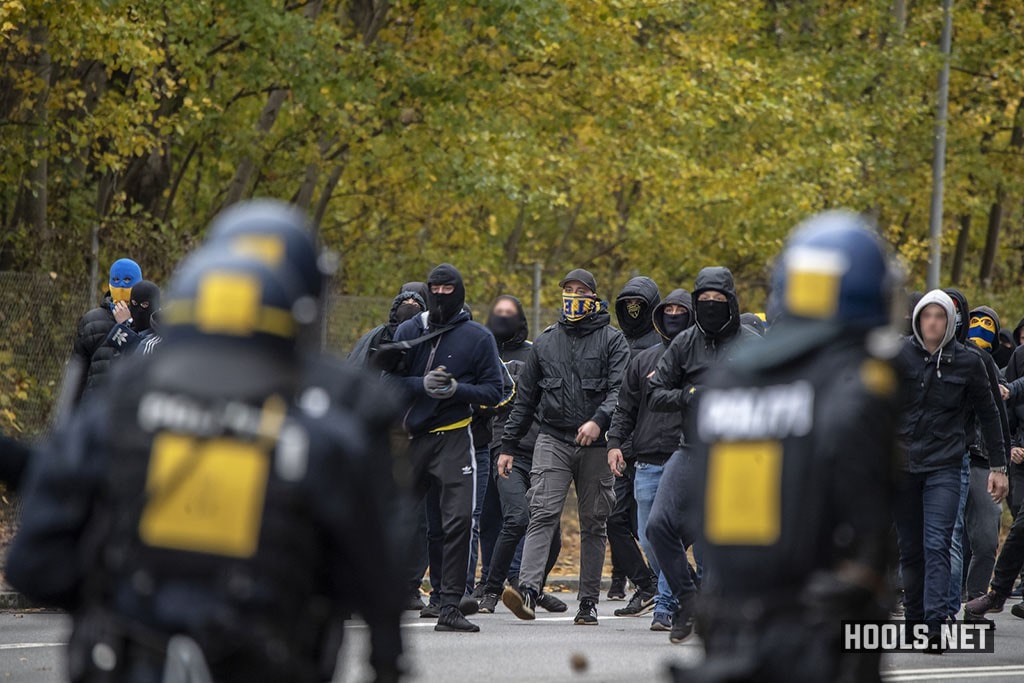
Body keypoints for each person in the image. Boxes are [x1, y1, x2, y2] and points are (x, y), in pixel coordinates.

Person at [7, 245, 403, 683]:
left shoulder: (120, 415)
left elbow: (34, 566)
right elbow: (374, 582)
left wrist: (113, 602)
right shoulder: (326, 439)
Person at [672, 210, 903, 683]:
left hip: (728, 627)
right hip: (817, 634)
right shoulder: (856, 382)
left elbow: (699, 506)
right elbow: (869, 526)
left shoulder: (727, 381)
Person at [500, 268, 630, 626]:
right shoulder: (545, 342)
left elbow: (620, 392)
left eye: (580, 291)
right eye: (567, 290)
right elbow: (524, 400)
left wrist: (598, 421)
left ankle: (587, 602)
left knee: (593, 522)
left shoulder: (613, 340)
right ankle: (527, 590)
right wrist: (508, 445)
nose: (573, 297)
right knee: (541, 511)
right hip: (553, 438)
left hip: (596, 445)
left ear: (594, 297)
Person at [645, 266, 762, 644]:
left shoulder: (751, 344)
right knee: (658, 526)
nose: (711, 307)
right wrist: (688, 396)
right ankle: (687, 600)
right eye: (704, 301)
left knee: (723, 541)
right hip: (691, 450)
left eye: (718, 300)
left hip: (737, 455)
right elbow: (655, 392)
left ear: (731, 302)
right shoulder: (684, 343)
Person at [385, 263, 504, 633]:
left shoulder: (478, 337)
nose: (439, 295)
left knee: (458, 522)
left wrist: (456, 390)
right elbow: (384, 380)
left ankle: (450, 605)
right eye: (433, 288)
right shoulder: (408, 330)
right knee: (396, 520)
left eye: (447, 288)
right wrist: (421, 384)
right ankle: (380, 595)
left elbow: (494, 391)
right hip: (410, 440)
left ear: (461, 290)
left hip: (455, 436)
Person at [893, 289, 1007, 649]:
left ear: (951, 322)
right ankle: (913, 621)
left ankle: (934, 625)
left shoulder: (969, 361)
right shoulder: (899, 356)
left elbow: (990, 414)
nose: (932, 323)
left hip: (945, 464)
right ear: (917, 320)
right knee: (910, 548)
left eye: (940, 316)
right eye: (926, 316)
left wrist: (999, 465)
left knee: (938, 542)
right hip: (903, 466)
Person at [607, 288, 693, 629]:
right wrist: (614, 443)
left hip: (684, 457)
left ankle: (664, 609)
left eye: (680, 309)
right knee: (648, 537)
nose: (673, 314)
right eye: (667, 309)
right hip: (645, 462)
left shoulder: (697, 360)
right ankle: (692, 591)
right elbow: (625, 407)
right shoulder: (643, 360)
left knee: (666, 533)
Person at [477, 295, 566, 615]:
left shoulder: (536, 352)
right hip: (503, 450)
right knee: (510, 518)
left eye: (509, 313)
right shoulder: (482, 349)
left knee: (551, 534)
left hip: (543, 450)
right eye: (497, 312)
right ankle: (490, 588)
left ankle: (529, 590)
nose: (503, 317)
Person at [607, 275, 664, 601]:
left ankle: (669, 586)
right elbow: (614, 399)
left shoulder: (666, 348)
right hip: (617, 446)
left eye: (639, 306)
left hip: (647, 448)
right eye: (627, 305)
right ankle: (647, 584)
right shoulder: (613, 343)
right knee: (615, 520)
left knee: (651, 526)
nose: (632, 311)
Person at [71, 258, 142, 401]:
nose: (121, 286)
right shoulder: (91, 320)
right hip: (94, 406)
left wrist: (128, 324)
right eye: (116, 280)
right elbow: (77, 373)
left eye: (128, 280)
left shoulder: (149, 321)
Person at [348, 290, 426, 366]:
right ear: (395, 310)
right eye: (404, 304)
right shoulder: (380, 333)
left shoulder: (425, 337)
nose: (409, 307)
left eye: (415, 305)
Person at [102, 281, 161, 357]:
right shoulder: (126, 327)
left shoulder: (160, 337)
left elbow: (142, 360)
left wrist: (125, 326)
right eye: (134, 303)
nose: (139, 310)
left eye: (144, 304)